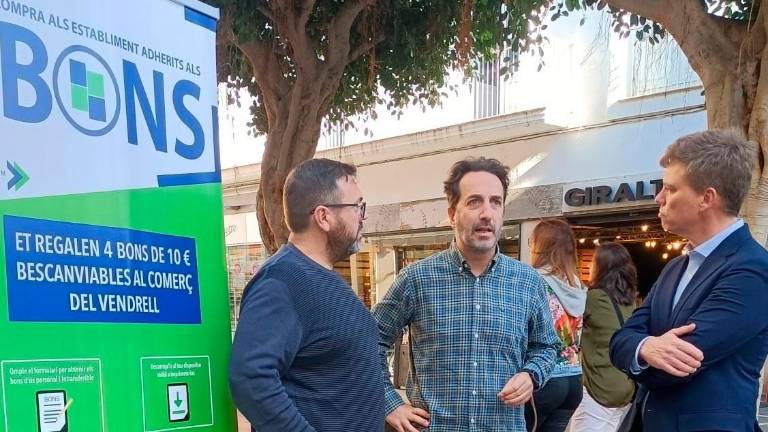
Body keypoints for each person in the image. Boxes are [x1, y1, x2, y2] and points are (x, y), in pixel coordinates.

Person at [372, 157, 559, 432]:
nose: (487, 213)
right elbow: (367, 344)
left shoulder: (527, 282)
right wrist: (391, 405)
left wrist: (531, 375)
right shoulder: (417, 279)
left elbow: (547, 347)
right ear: (452, 214)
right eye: (474, 202)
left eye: (495, 202)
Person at [609, 130, 768, 431]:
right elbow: (619, 340)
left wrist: (640, 348)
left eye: (670, 189)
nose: (659, 198)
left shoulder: (753, 270)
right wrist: (645, 348)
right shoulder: (676, 267)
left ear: (706, 198)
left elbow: (672, 370)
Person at [229, 158, 384, 432]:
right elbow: (250, 377)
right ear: (323, 216)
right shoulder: (282, 280)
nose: (364, 216)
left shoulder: (322, 278)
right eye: (357, 206)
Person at [525, 219, 587, 432]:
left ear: (540, 246)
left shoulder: (535, 281)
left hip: (544, 378)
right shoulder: (576, 284)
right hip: (573, 377)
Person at [568, 243, 637, 431]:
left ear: (600, 268)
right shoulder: (630, 302)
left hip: (599, 388)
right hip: (626, 386)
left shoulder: (593, 298)